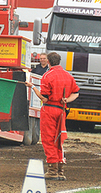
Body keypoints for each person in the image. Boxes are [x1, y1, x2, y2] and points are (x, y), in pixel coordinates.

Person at [25, 52, 80, 181]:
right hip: (61, 110)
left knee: (48, 139)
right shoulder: (68, 76)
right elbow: (76, 92)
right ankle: (60, 169)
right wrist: (66, 100)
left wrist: (33, 87)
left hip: (49, 110)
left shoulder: (47, 76)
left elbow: (44, 98)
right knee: (59, 139)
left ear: (48, 61)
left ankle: (52, 170)